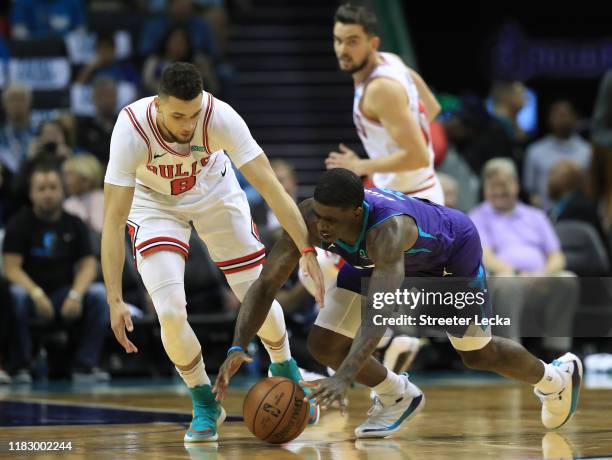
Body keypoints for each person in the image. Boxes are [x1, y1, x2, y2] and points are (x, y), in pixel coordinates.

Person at [213, 168, 583, 439]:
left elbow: (381, 310)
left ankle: (555, 379)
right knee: (324, 344)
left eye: (332, 220)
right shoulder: (311, 217)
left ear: (356, 212)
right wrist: (238, 344)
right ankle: (397, 395)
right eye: (319, 216)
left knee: (476, 353)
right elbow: (266, 284)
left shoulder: (388, 232)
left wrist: (345, 379)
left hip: (449, 257)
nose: (322, 229)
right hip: (368, 263)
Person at [101, 62, 324, 442]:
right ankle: (205, 402)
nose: (187, 125)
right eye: (177, 115)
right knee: (170, 312)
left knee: (255, 291)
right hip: (154, 206)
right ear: (157, 106)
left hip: (214, 193)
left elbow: (271, 187)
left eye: (193, 114)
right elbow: (112, 222)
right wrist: (114, 299)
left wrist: (306, 249)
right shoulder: (131, 129)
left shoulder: (220, 117)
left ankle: (285, 368)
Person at [324, 4, 444, 204]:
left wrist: (361, 165)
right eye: (338, 41)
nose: (342, 50)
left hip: (411, 199)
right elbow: (431, 107)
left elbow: (418, 157)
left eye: (352, 42)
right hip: (410, 190)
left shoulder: (380, 89)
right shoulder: (391, 60)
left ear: (373, 43)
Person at [3, 162, 110, 383]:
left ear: (62, 191)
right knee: (15, 295)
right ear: (31, 193)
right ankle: (21, 366)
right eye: (41, 189)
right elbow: (11, 268)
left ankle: (84, 365)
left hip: (65, 295)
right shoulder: (19, 224)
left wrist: (76, 295)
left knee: (99, 295)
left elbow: (89, 265)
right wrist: (36, 294)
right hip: (31, 295)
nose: (48, 194)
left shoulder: (75, 223)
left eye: (53, 188)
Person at [469, 158, 578, 359]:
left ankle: (556, 350)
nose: (499, 190)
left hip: (539, 281)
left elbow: (557, 255)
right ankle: (512, 353)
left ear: (517, 186)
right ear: (485, 189)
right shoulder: (477, 216)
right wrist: (517, 274)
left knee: (567, 279)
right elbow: (485, 255)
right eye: (493, 185)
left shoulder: (536, 216)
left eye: (504, 184)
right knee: (508, 282)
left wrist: (542, 274)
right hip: (501, 281)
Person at [523, 100, 591, 209]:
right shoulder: (535, 151)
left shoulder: (588, 152)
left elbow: (593, 188)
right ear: (549, 119)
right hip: (545, 215)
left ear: (575, 117)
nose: (561, 119)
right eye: (557, 114)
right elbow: (529, 190)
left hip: (580, 213)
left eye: (565, 114)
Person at [74, 77, 119, 164]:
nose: (107, 100)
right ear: (93, 98)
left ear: (117, 98)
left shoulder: (127, 124)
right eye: (102, 96)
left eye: (111, 95)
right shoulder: (84, 126)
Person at [62, 154, 105, 233]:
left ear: (85, 178)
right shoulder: (68, 204)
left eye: (70, 175)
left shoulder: (104, 198)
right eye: (65, 176)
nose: (67, 182)